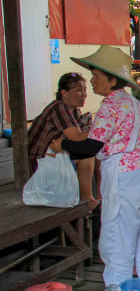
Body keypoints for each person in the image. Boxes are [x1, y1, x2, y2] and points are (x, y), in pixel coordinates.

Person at [52, 45, 140, 289]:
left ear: (112, 79)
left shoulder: (110, 107)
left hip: (127, 179)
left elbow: (91, 147)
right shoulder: (134, 104)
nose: (92, 82)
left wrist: (64, 144)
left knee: (117, 242)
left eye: (96, 77)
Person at [28, 73, 99, 210]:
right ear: (64, 93)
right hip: (39, 163)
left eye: (85, 90)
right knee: (87, 155)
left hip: (54, 159)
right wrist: (104, 129)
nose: (83, 94)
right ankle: (88, 199)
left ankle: (99, 195)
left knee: (97, 151)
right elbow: (76, 137)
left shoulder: (75, 112)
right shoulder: (59, 107)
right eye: (79, 89)